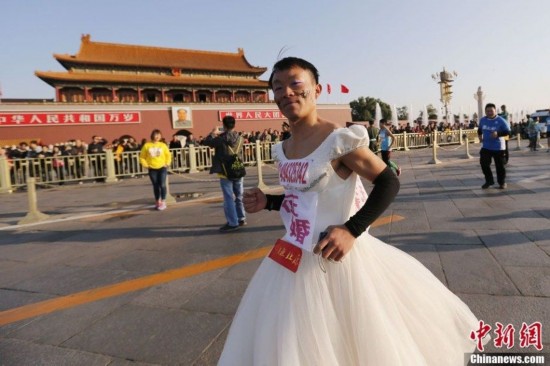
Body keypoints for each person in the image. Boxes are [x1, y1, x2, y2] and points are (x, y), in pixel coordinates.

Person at [217, 57, 487, 365]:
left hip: (339, 259)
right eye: (278, 87)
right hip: (291, 257)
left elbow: (387, 182)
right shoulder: (284, 147)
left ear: (315, 90)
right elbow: (304, 198)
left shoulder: (338, 140)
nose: (286, 93)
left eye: (295, 84)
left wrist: (351, 229)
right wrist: (269, 201)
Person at [202, 115, 246, 232]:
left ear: (224, 125)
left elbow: (206, 142)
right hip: (237, 169)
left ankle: (232, 222)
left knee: (228, 198)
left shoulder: (221, 138)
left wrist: (212, 133)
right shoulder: (240, 138)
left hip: (225, 171)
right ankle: (241, 217)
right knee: (239, 196)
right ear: (234, 124)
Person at [478, 103, 511, 189]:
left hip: (498, 147)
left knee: (500, 166)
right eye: (487, 111)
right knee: (484, 164)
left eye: (491, 111)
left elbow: (508, 132)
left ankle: (502, 182)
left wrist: (498, 133)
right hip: (486, 146)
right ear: (485, 111)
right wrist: (479, 136)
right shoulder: (483, 120)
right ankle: (489, 180)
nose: (489, 112)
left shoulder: (501, 120)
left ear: (495, 111)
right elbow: (479, 129)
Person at [139, 129, 171, 210]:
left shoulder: (163, 145)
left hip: (162, 167)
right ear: (152, 135)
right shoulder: (147, 145)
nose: (157, 136)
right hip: (152, 168)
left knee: (162, 184)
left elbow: (168, 155)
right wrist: (146, 165)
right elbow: (142, 157)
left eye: (159, 135)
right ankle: (157, 201)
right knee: (156, 185)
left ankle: (163, 201)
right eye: (156, 135)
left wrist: (167, 163)